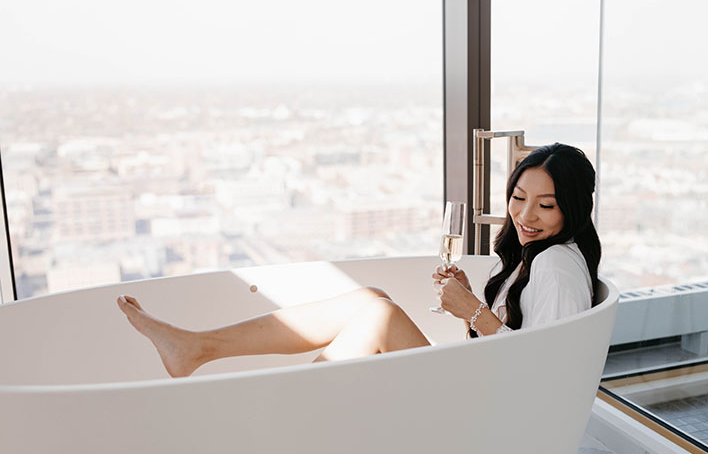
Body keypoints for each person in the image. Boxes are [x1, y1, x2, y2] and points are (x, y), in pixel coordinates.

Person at [117, 142, 601, 377]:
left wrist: (472, 313)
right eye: (519, 198)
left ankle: (268, 391)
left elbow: (544, 371)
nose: (526, 215)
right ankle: (200, 347)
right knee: (372, 298)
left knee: (380, 316)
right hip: (478, 386)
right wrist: (474, 303)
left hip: (490, 409)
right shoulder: (534, 255)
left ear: (573, 207)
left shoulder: (556, 266)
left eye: (547, 204)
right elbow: (521, 337)